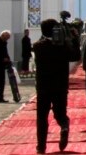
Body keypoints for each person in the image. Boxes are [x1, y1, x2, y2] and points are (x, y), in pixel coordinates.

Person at [33, 17, 78, 154]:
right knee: (60, 114)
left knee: (42, 117)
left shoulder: (38, 46)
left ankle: (41, 147)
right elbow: (75, 56)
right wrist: (72, 38)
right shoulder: (64, 47)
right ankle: (64, 127)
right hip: (60, 86)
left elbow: (40, 44)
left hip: (43, 87)